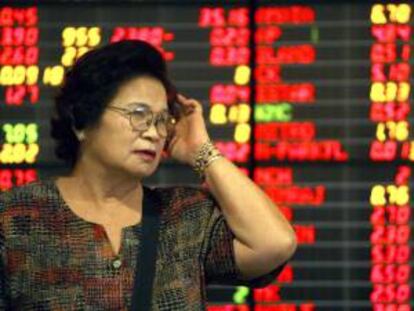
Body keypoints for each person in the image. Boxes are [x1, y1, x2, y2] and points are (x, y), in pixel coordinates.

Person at [0, 40, 297, 310]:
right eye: (138, 114)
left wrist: (201, 151)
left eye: (161, 120)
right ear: (82, 120)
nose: (154, 133)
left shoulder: (183, 217)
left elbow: (274, 243)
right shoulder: (16, 218)